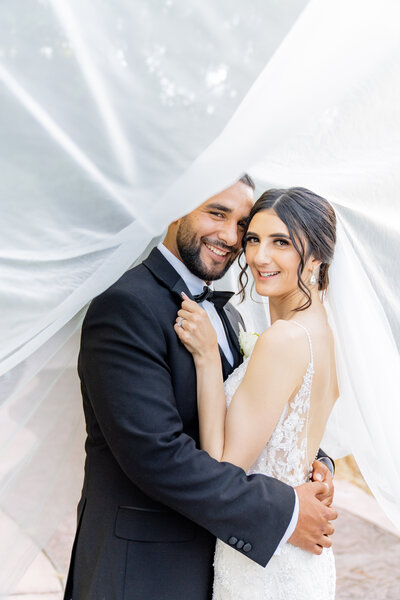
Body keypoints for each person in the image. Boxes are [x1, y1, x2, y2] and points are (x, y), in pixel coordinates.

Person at [64, 177, 337, 600]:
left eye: (241, 224)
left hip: (224, 564)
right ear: (175, 207)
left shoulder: (230, 319)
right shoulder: (125, 306)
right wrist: (286, 511)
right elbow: (157, 454)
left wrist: (310, 462)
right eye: (216, 213)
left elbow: (254, 414)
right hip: (145, 573)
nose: (230, 237)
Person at [175, 187, 338, 599]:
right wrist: (323, 467)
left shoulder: (284, 339)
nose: (259, 256)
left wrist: (209, 360)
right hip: (293, 558)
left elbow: (224, 470)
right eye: (253, 239)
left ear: (317, 255)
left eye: (280, 242)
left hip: (265, 564)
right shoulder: (322, 334)